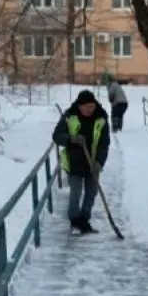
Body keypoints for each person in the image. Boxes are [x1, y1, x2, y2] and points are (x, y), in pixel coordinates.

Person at [52, 90, 111, 234]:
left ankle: (84, 220)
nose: (90, 110)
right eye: (87, 107)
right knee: (76, 192)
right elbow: (57, 136)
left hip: (93, 161)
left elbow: (104, 144)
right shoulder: (69, 116)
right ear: (79, 106)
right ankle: (74, 220)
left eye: (92, 106)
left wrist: (99, 162)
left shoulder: (101, 118)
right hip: (74, 161)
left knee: (92, 191)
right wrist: (71, 139)